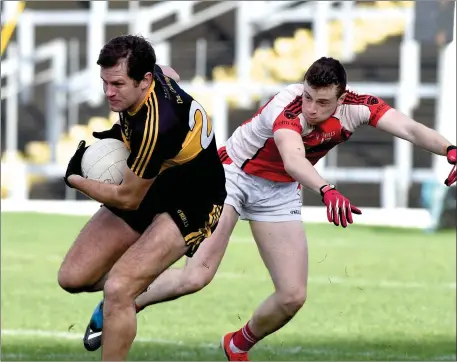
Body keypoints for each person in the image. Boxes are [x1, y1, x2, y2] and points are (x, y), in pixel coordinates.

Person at [82, 57, 457, 360]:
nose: (312, 108)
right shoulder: (289, 108)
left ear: (342, 98)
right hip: (230, 177)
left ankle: (238, 344)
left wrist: (449, 151)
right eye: (309, 96)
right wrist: (325, 189)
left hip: (278, 192)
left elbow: (408, 129)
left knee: (293, 296)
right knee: (194, 278)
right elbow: (293, 159)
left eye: (323, 102)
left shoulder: (360, 107)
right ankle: (119, 299)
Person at [58, 34, 227, 361]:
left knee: (119, 288)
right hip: (156, 182)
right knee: (73, 277)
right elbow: (171, 72)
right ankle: (134, 281)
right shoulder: (154, 75)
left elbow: (127, 199)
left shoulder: (156, 126)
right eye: (105, 83)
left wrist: (76, 178)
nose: (109, 92)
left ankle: (126, 291)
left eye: (118, 84)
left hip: (194, 202)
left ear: (144, 80)